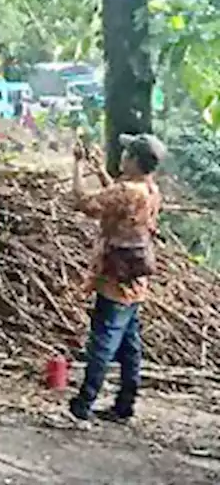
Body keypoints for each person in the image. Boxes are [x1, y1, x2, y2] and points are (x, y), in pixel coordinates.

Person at [68, 133, 165, 424]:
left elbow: (83, 202)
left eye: (126, 154)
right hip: (135, 282)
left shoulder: (127, 191)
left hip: (114, 280)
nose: (121, 157)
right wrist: (100, 172)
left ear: (134, 160)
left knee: (102, 343)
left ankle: (83, 403)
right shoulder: (149, 190)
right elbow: (120, 203)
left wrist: (76, 165)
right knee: (129, 345)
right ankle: (125, 404)